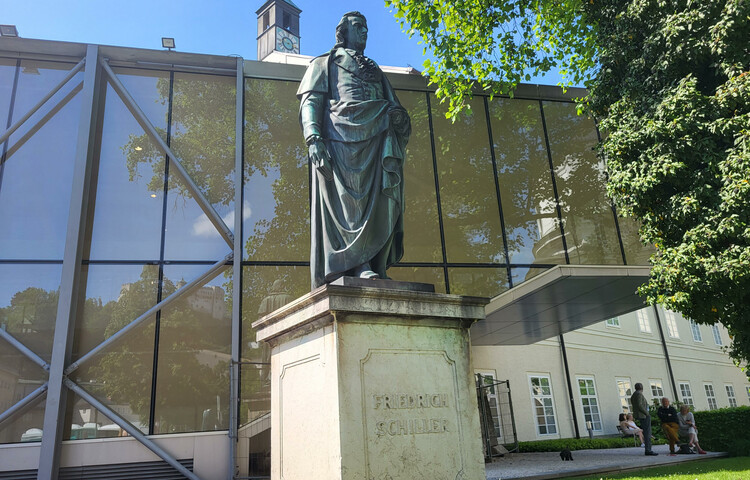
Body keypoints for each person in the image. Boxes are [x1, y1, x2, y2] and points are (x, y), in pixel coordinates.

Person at [297, 11, 411, 289]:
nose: (364, 32)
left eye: (366, 28)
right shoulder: (325, 63)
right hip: (342, 142)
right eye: (358, 27)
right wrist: (314, 138)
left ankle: (375, 264)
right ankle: (355, 264)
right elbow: (310, 102)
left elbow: (394, 106)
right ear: (343, 32)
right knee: (352, 207)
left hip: (378, 141)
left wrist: (398, 117)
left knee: (382, 202)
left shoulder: (375, 69)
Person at [630, 383, 658, 455]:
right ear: (641, 387)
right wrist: (647, 413)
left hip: (640, 415)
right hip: (643, 415)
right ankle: (648, 450)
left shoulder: (634, 394)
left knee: (646, 432)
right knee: (647, 432)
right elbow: (640, 405)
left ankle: (648, 449)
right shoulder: (639, 394)